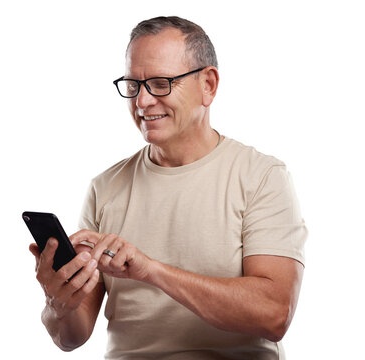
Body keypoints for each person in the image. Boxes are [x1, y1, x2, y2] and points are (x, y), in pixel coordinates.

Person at [29, 16, 306, 360]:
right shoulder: (105, 188)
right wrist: (57, 303)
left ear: (209, 84)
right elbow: (73, 337)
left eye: (160, 83)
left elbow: (273, 314)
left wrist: (151, 271)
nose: (142, 102)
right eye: (133, 84)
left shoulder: (261, 176)